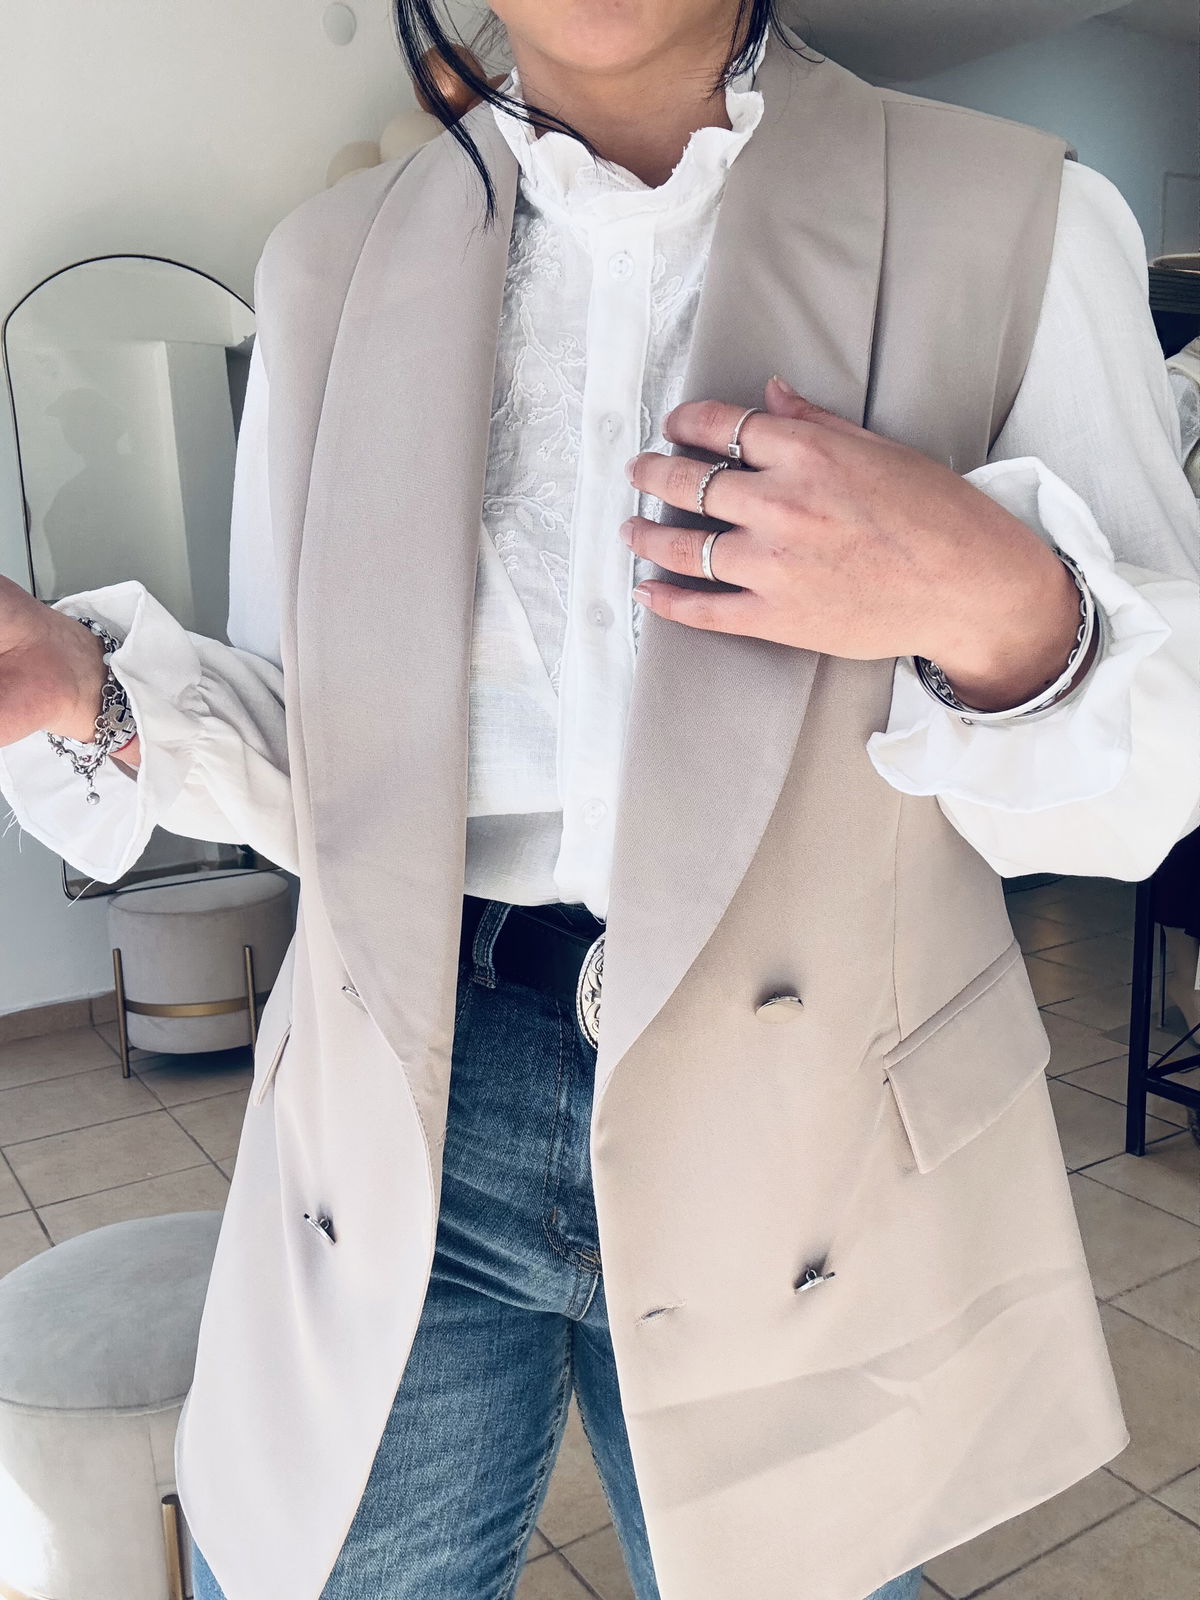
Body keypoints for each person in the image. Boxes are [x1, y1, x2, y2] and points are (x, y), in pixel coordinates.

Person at [1, 5, 1198, 1598]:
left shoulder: (1020, 222)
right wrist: (83, 688)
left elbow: (1145, 797)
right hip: (407, 1100)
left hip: (811, 1127)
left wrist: (1000, 603)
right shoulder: (324, 268)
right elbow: (329, 763)